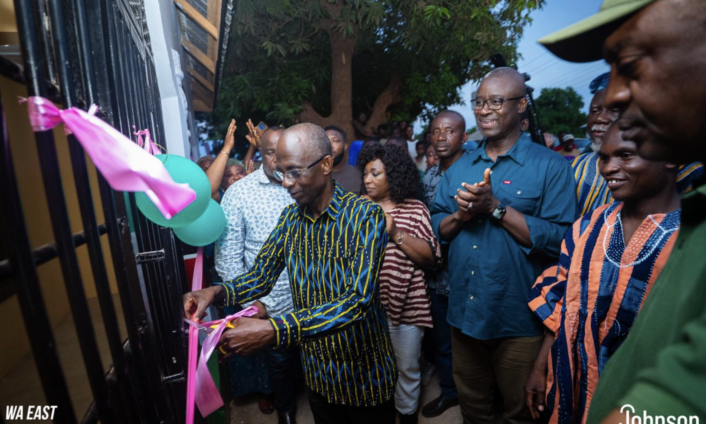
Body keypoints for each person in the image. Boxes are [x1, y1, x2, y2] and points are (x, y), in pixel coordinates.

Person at [538, 0, 706, 422]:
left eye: (630, 64)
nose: (612, 95)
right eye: (604, 158)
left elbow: (682, 397)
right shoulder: (590, 226)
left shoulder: (682, 227)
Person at [183, 123, 397, 424]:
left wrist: (275, 330)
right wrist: (216, 292)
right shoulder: (291, 220)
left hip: (363, 375)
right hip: (319, 374)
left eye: (294, 172)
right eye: (282, 172)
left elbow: (356, 302)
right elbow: (260, 277)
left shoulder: (365, 216)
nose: (286, 183)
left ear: (325, 164)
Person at [430, 67, 578, 424]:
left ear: (521, 105)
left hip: (519, 320)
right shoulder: (460, 166)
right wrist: (461, 215)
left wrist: (495, 208)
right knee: (473, 410)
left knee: (521, 413)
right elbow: (437, 224)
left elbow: (563, 239)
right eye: (479, 102)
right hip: (463, 315)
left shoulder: (550, 166)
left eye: (496, 101)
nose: (484, 110)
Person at [526, 125, 682, 424]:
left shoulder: (691, 242)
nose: (608, 168)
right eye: (604, 157)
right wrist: (539, 367)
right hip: (574, 389)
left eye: (625, 155)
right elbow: (563, 304)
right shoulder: (589, 226)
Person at [215, 127, 300, 424]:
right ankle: (286, 410)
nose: (278, 160)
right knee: (279, 363)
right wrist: (251, 304)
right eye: (270, 152)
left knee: (317, 357)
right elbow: (228, 257)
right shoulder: (240, 193)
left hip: (314, 299)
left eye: (284, 152)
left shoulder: (306, 183)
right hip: (271, 303)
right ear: (259, 152)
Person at [358, 144, 441, 424]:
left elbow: (431, 258)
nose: (367, 179)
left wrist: (395, 231)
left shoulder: (415, 209)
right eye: (365, 173)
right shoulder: (356, 208)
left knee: (406, 368)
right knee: (370, 367)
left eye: (375, 173)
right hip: (366, 310)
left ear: (393, 175)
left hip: (407, 306)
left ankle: (407, 416)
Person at [572, 75, 703, 217]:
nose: (599, 118)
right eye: (594, 111)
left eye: (614, 110)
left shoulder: (686, 171)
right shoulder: (578, 165)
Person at [420, 110, 469, 419]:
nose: (441, 137)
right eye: (436, 131)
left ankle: (480, 397)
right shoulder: (430, 175)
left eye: (449, 131)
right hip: (437, 273)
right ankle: (450, 392)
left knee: (472, 338)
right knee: (442, 339)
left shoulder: (475, 168)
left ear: (464, 137)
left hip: (467, 272)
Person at [325, 125, 362, 194]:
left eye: (335, 141)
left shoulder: (358, 175)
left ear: (345, 147)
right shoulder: (313, 175)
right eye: (326, 141)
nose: (330, 146)